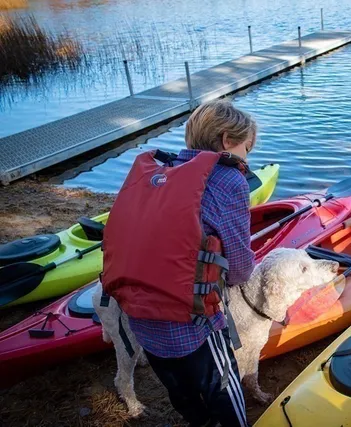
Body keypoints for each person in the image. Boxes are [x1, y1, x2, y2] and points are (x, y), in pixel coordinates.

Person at [101, 100, 257, 427]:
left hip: (142, 318)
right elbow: (241, 268)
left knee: (182, 392)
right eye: (248, 147)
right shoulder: (229, 181)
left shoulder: (159, 173)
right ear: (228, 140)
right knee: (222, 390)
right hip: (193, 326)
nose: (248, 157)